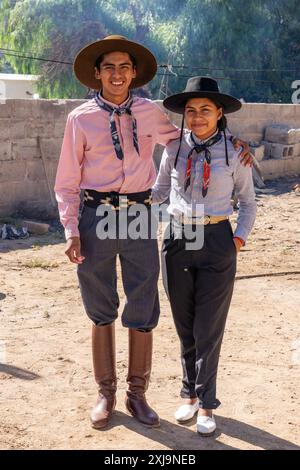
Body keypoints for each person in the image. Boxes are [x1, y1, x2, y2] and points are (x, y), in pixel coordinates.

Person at [54, 34, 253, 431]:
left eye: (124, 67)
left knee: (143, 302)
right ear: (96, 74)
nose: (117, 74)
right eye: (109, 67)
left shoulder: (149, 113)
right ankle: (106, 392)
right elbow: (66, 181)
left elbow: (188, 140)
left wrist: (232, 142)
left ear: (134, 73)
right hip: (96, 213)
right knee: (100, 303)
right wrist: (71, 228)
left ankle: (137, 393)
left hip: (141, 214)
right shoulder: (79, 119)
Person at [152, 76, 257, 436]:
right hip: (179, 236)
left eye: (205, 110)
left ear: (219, 113)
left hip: (216, 238)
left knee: (208, 325)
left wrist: (237, 240)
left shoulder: (235, 153)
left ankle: (207, 404)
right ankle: (189, 394)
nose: (197, 117)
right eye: (191, 111)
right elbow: (160, 189)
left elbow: (248, 203)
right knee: (184, 323)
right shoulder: (173, 150)